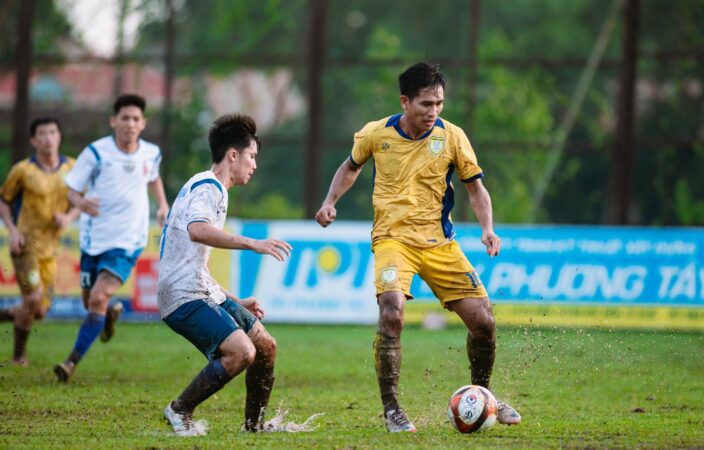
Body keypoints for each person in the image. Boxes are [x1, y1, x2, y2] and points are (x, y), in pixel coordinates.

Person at [315, 62, 522, 432]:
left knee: (484, 322)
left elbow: (475, 187)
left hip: (440, 244)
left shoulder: (453, 137)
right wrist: (331, 201)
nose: (434, 112)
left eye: (439, 103)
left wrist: (488, 228)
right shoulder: (375, 134)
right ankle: (393, 409)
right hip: (393, 241)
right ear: (405, 101)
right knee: (392, 312)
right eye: (426, 104)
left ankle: (484, 396)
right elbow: (350, 167)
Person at [159, 114, 292, 436]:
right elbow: (197, 231)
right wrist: (252, 243)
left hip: (201, 289)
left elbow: (193, 263)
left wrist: (234, 300)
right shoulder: (210, 188)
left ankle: (254, 427)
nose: (255, 165)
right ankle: (180, 410)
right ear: (233, 154)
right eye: (252, 156)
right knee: (241, 352)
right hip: (182, 296)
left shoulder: (212, 187)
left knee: (265, 347)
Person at [53, 94, 169, 381]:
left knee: (98, 296)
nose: (129, 123)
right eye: (124, 118)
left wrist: (163, 204)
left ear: (142, 124)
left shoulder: (150, 153)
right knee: (89, 301)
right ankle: (108, 317)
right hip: (94, 239)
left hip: (129, 240)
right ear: (113, 120)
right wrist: (81, 205)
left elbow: (153, 176)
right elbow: (71, 191)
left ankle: (70, 363)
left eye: (135, 119)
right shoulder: (95, 153)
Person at [0, 117, 79, 366]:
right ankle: (18, 356)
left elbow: (81, 199)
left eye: (52, 132)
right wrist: (12, 231)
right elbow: (4, 200)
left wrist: (68, 216)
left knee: (39, 310)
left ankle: (10, 312)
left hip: (51, 250)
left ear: (59, 137)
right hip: (25, 247)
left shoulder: (72, 168)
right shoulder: (23, 170)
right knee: (33, 299)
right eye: (42, 134)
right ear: (33, 140)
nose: (48, 138)